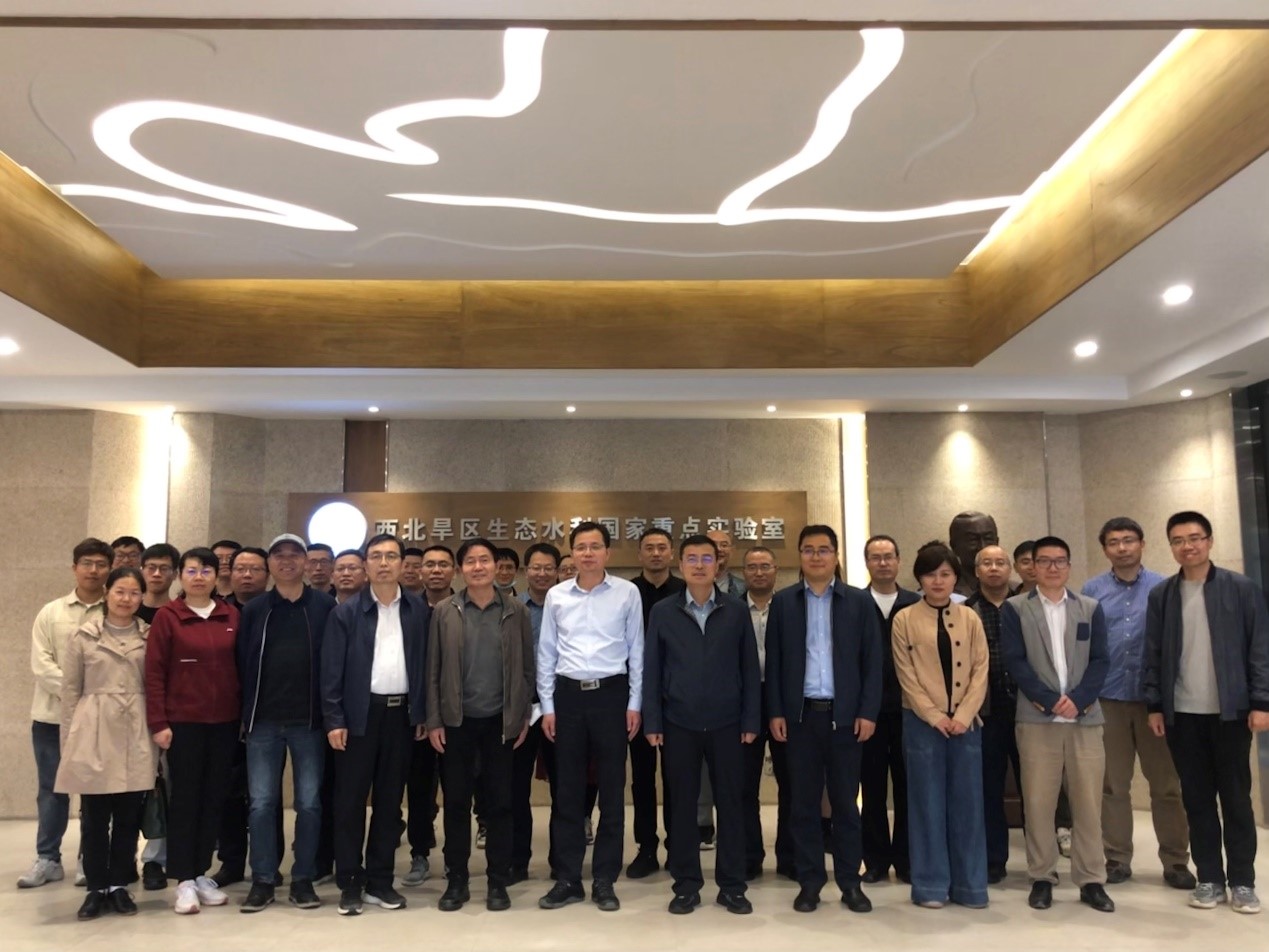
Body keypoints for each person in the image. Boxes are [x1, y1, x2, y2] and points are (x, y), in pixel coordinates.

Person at [1145, 510, 1269, 914]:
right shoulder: (1162, 595)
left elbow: (1260, 647)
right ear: (1171, 546)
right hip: (1182, 714)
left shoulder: (1241, 588)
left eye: (1195, 538)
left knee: (1236, 799)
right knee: (1196, 800)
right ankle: (1210, 879)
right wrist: (1155, 705)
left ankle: (1243, 881)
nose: (1188, 546)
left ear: (1210, 541)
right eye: (1179, 540)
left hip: (1231, 713)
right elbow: (1153, 654)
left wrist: (1261, 701)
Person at [766, 525, 882, 914]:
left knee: (846, 805)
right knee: (803, 805)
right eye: (809, 550)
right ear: (799, 556)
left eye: (824, 550)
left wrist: (866, 711)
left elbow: (873, 662)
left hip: (845, 719)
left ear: (835, 555)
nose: (816, 557)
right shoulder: (784, 603)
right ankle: (810, 883)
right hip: (801, 719)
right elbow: (775, 663)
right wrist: (777, 711)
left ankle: (850, 882)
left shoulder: (858, 602)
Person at [644, 534, 761, 915]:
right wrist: (653, 719)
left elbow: (749, 667)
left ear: (717, 564)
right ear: (680, 565)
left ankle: (732, 886)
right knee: (681, 806)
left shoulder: (736, 610)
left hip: (728, 723)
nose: (699, 565)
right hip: (678, 722)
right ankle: (686, 886)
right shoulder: (663, 611)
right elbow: (652, 668)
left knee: (731, 804)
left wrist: (750, 718)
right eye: (691, 558)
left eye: (706, 558)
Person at [1002, 536, 1114, 914]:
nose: (1052, 567)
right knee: (1038, 803)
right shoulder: (1016, 608)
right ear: (1032, 566)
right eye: (1044, 561)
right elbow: (1015, 660)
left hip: (1085, 719)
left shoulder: (1090, 607)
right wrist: (1048, 699)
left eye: (1060, 561)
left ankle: (1091, 879)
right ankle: (1042, 876)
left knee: (1088, 803)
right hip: (1037, 719)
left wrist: (1079, 700)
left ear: (1069, 565)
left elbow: (1100, 659)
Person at [1081, 517, 1193, 890]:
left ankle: (1176, 861)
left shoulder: (1165, 587)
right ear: (1105, 549)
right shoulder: (1092, 590)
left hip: (1154, 703)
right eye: (1114, 542)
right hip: (1108, 699)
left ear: (1142, 544)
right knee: (1113, 785)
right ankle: (1116, 858)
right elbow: (1084, 645)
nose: (1122, 548)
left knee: (1166, 785)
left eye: (1129, 540)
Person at [536, 521, 642, 913]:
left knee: (612, 792)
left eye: (595, 546)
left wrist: (635, 703)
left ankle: (604, 879)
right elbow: (547, 653)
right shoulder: (557, 596)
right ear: (572, 553)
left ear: (607, 553)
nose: (588, 553)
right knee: (568, 793)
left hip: (612, 696)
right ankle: (567, 878)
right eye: (580, 547)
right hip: (568, 698)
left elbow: (637, 650)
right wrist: (548, 707)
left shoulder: (627, 593)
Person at [322, 533, 429, 917]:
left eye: (391, 556)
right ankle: (350, 882)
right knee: (350, 803)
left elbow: (425, 666)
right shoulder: (346, 613)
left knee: (389, 802)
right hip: (358, 717)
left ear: (403, 564)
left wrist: (421, 713)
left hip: (400, 717)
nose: (384, 563)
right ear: (366, 565)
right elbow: (331, 672)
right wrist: (334, 718)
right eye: (376, 556)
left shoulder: (417, 610)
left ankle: (380, 881)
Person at [427, 538, 535, 912]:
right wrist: (434, 719)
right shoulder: (445, 611)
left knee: (500, 804)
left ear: (495, 566)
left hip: (500, 723)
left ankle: (497, 882)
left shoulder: (516, 611)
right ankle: (456, 881)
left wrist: (522, 715)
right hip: (456, 722)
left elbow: (527, 669)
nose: (478, 567)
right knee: (456, 803)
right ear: (461, 569)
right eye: (470, 561)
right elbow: (433, 669)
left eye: (484, 560)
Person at [236, 534, 337, 913]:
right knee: (261, 804)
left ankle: (303, 879)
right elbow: (242, 663)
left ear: (306, 562)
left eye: (296, 555)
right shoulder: (255, 609)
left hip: (309, 722)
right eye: (280, 555)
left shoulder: (324, 606)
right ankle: (263, 880)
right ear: (270, 564)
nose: (288, 561)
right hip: (263, 721)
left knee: (309, 803)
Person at [892, 542, 990, 909]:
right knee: (926, 805)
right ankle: (930, 885)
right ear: (919, 578)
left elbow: (981, 670)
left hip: (967, 724)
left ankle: (970, 887)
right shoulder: (904, 619)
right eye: (931, 574)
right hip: (922, 724)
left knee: (968, 806)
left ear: (955, 578)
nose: (938, 580)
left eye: (945, 574)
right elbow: (906, 676)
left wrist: (963, 716)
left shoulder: (970, 617)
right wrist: (935, 716)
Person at [145, 547, 242, 914]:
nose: (199, 577)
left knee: (214, 798)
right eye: (191, 570)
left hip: (224, 722)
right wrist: (159, 722)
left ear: (217, 576)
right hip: (183, 724)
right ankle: (183, 879)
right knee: (185, 800)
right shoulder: (168, 617)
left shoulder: (230, 615)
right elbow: (154, 673)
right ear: (180, 576)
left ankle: (201, 872)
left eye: (206, 571)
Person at [55, 566, 155, 920]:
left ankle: (119, 885)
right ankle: (96, 887)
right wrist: (69, 742)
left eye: (134, 593)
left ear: (142, 597)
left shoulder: (150, 636)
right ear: (107, 594)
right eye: (120, 592)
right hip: (93, 730)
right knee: (95, 817)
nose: (127, 599)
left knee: (129, 816)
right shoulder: (83, 636)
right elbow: (70, 692)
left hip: (136, 730)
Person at [19, 537, 112, 890]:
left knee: (96, 792)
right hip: (51, 718)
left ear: (109, 569)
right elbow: (41, 664)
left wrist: (93, 699)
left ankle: (90, 859)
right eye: (87, 563)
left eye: (101, 564)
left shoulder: (115, 611)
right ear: (74, 567)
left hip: (100, 719)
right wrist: (78, 694)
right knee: (51, 789)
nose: (93, 570)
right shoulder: (51, 612)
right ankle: (48, 858)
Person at [859, 534, 920, 885]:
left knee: (908, 788)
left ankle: (907, 861)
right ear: (867, 562)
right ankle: (876, 861)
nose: (882, 563)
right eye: (875, 557)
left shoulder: (916, 603)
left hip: (910, 710)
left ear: (898, 560)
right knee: (872, 789)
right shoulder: (855, 603)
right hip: (867, 714)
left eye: (888, 556)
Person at [626, 527, 685, 879]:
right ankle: (646, 848)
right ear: (639, 554)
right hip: (637, 697)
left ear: (672, 553)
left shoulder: (685, 591)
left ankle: (678, 848)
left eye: (662, 547)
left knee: (677, 777)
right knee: (642, 777)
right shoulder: (626, 592)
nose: (656, 553)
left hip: (676, 697)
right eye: (649, 548)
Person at [401, 543, 456, 887]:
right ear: (420, 571)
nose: (436, 570)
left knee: (457, 789)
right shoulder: (408, 610)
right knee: (419, 789)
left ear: (454, 571)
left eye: (443, 565)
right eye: (430, 565)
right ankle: (419, 854)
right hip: (419, 716)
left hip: (459, 714)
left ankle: (454, 857)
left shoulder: (464, 607)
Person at [966, 544, 1021, 883]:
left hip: (1027, 709)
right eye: (986, 563)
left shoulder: (1026, 606)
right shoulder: (967, 611)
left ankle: (1040, 861)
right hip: (985, 712)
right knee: (988, 788)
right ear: (977, 571)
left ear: (1010, 568)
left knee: (1035, 789)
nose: (994, 568)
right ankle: (994, 860)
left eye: (1000, 562)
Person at [740, 545, 793, 880]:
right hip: (744, 703)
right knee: (744, 785)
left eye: (765, 566)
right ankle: (749, 857)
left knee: (792, 783)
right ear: (743, 572)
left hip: (785, 703)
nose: (759, 572)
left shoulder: (790, 606)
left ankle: (789, 856)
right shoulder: (731, 608)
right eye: (752, 567)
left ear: (776, 570)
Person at [511, 541, 560, 882]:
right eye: (536, 568)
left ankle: (562, 860)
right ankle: (517, 861)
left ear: (557, 571)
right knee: (516, 788)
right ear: (526, 571)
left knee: (564, 789)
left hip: (561, 708)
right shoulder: (512, 609)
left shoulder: (568, 605)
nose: (542, 573)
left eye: (548, 568)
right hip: (523, 708)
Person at [948, 512, 999, 597]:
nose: (982, 547)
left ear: (997, 543)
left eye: (988, 539)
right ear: (954, 546)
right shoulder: (944, 590)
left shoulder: (1016, 590)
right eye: (972, 540)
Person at [137, 543, 179, 624]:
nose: (157, 574)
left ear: (175, 574)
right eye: (151, 568)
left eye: (164, 569)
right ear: (142, 572)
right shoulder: (130, 611)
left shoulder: (180, 614)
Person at [706, 528, 746, 597]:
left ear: (732, 550)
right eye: (713, 545)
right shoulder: (690, 585)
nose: (719, 549)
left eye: (724, 545)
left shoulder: (743, 588)